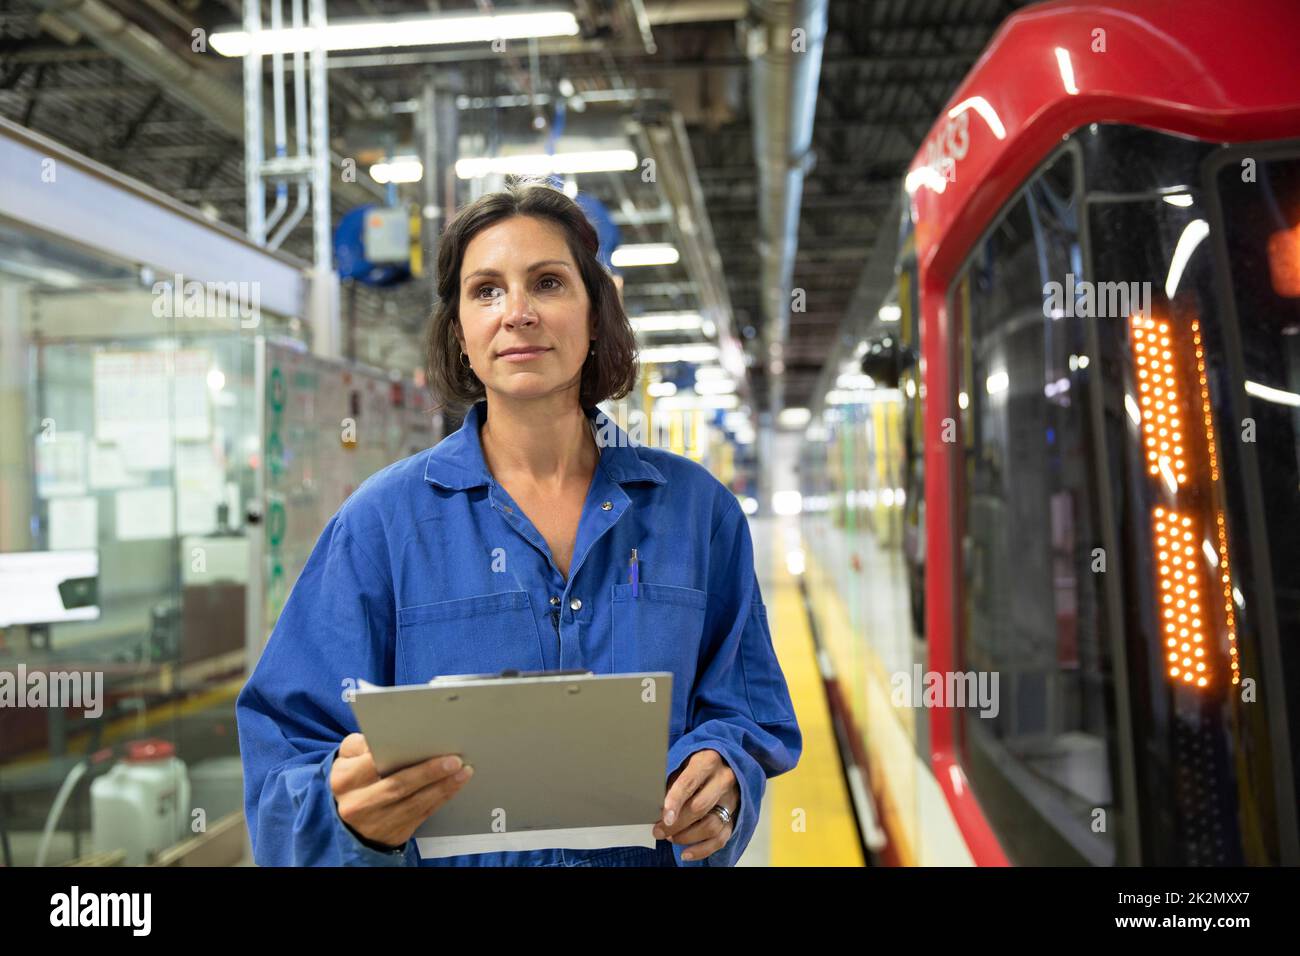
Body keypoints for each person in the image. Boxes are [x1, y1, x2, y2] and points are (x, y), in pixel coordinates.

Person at [236, 179, 801, 866]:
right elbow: (281, 768)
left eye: (548, 283)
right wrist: (343, 815)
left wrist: (727, 781)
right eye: (487, 291)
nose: (518, 313)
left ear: (596, 316)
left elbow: (746, 715)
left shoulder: (697, 514)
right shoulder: (380, 528)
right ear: (461, 335)